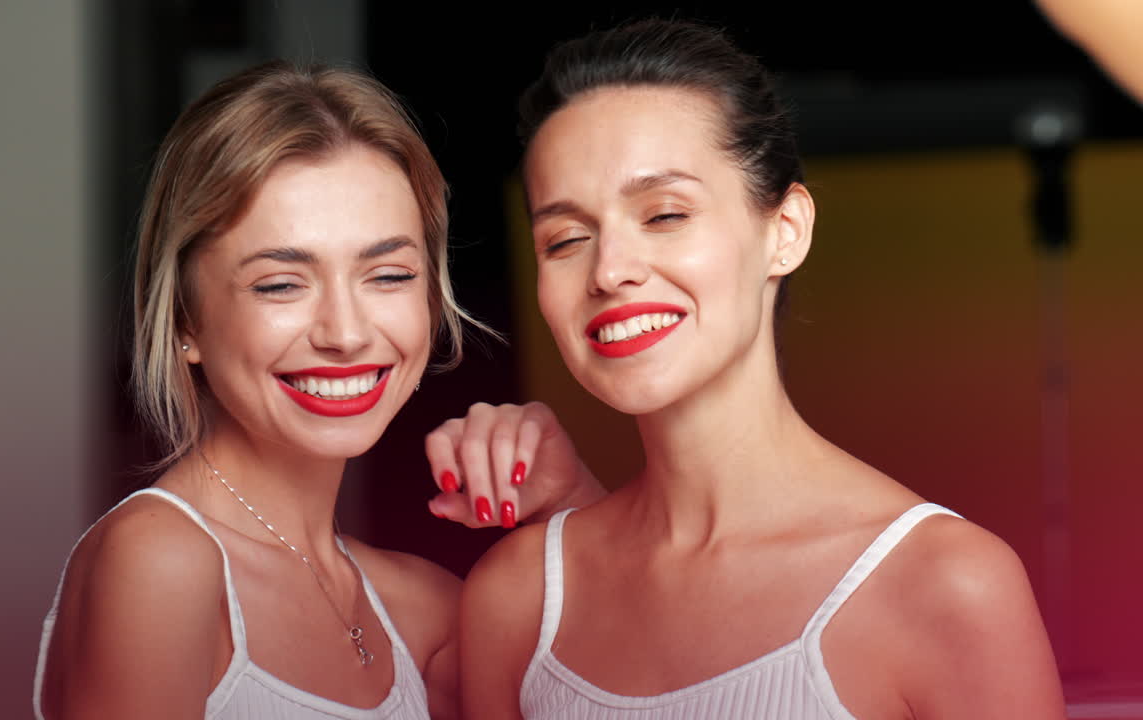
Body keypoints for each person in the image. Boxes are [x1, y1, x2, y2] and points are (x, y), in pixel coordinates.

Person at [448, 19, 1067, 719]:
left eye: (665, 214)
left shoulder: (945, 584)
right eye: (565, 239)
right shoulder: (516, 600)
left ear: (785, 232)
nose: (611, 270)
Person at [32, 61, 598, 719]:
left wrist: (575, 503)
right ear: (186, 322)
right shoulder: (161, 561)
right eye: (281, 284)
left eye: (387, 275)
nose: (345, 332)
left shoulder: (425, 615)